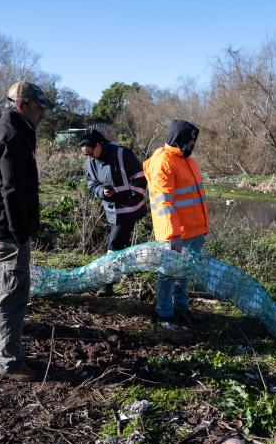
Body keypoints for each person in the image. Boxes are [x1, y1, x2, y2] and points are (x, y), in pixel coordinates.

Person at [0, 80, 53, 382]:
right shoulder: (13, 136)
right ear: (22, 105)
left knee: (10, 291)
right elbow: (11, 190)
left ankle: (10, 351)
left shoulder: (3, 131)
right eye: (39, 107)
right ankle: (9, 362)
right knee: (11, 295)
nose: (43, 114)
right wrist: (20, 232)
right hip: (8, 232)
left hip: (1, 227)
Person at [143, 119, 209, 328]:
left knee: (184, 273)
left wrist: (202, 228)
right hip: (177, 234)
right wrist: (173, 235)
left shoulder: (187, 160)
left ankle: (181, 309)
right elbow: (165, 203)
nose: (192, 145)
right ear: (178, 138)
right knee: (169, 274)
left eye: (193, 141)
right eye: (190, 141)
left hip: (194, 231)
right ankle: (164, 314)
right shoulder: (164, 162)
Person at [80, 129, 148, 296]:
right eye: (85, 154)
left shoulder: (122, 153)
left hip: (130, 208)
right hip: (111, 210)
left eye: (91, 152)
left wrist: (134, 196)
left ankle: (106, 284)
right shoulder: (90, 162)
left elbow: (140, 176)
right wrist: (102, 192)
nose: (89, 156)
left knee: (114, 246)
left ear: (99, 144)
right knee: (121, 245)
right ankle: (126, 276)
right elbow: (91, 185)